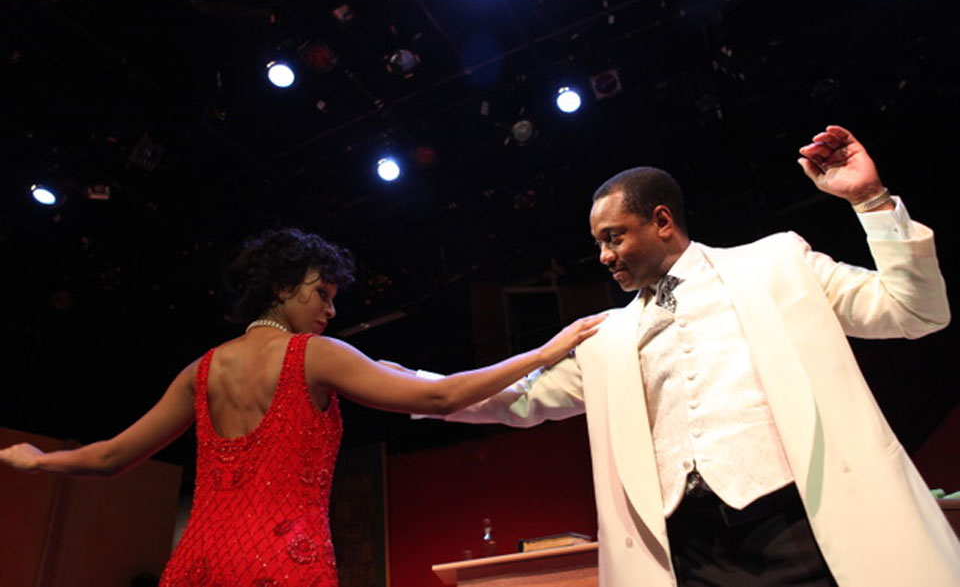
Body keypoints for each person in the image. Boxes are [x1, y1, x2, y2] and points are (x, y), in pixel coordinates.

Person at [418, 125, 959, 586]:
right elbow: (519, 401)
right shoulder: (606, 337)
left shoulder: (776, 264)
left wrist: (870, 200)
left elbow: (915, 312)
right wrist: (408, 389)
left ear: (661, 221)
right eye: (599, 243)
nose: (603, 256)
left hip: (799, 527)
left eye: (614, 237)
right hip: (691, 553)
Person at [0, 228, 605, 587]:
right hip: (283, 561)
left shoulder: (200, 371)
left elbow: (109, 459)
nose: (330, 310)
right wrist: (544, 351)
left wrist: (37, 461)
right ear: (281, 287)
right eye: (322, 294)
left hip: (198, 562)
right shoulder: (314, 355)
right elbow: (440, 397)